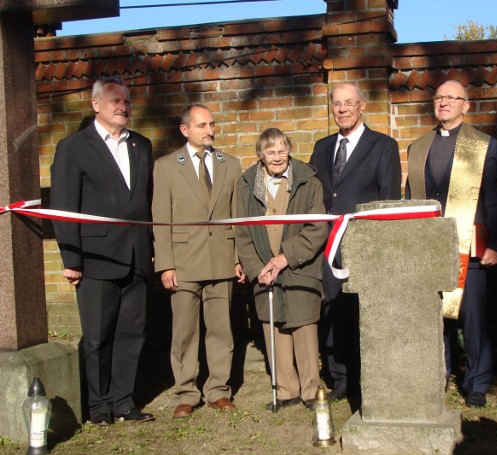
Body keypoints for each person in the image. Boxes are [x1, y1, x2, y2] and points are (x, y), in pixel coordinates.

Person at [50, 76, 155, 425]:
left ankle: (124, 402)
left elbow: (144, 202)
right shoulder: (74, 147)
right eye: (115, 101)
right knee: (97, 337)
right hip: (96, 259)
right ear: (96, 105)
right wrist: (71, 259)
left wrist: (151, 250)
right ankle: (99, 406)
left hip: (136, 256)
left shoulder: (142, 145)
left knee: (132, 334)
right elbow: (65, 206)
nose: (123, 106)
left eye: (127, 100)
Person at [406, 80, 497, 408]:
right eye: (438, 97)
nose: (443, 102)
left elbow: (494, 200)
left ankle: (476, 382)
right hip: (430, 245)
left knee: (473, 318)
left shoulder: (483, 144)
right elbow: (410, 200)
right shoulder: (418, 146)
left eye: (451, 97)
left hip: (469, 247)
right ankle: (440, 375)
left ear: (466, 105)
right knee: (435, 317)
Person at [310, 82, 402, 401]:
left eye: (349, 102)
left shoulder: (383, 146)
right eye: (337, 104)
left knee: (365, 313)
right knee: (332, 310)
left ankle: (369, 377)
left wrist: (383, 248)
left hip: (365, 245)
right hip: (329, 246)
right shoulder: (321, 147)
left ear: (362, 105)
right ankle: (340, 379)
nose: (342, 109)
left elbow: (389, 198)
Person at [152, 104, 244, 419]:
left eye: (212, 124)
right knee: (184, 333)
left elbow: (238, 217)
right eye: (202, 125)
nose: (210, 131)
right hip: (184, 261)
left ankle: (218, 391)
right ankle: (186, 393)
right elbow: (160, 218)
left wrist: (237, 258)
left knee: (221, 331)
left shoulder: (230, 164)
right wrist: (166, 264)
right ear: (185, 129)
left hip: (221, 259)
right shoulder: (165, 166)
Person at [235, 128, 326, 409]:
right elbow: (241, 231)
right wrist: (256, 268)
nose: (277, 157)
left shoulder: (308, 181)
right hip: (264, 265)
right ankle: (286, 389)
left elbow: (317, 227)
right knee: (274, 327)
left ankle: (311, 390)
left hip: (300, 265)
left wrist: (286, 257)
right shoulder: (246, 185)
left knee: (304, 327)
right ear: (260, 156)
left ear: (290, 150)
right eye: (270, 152)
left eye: (282, 150)